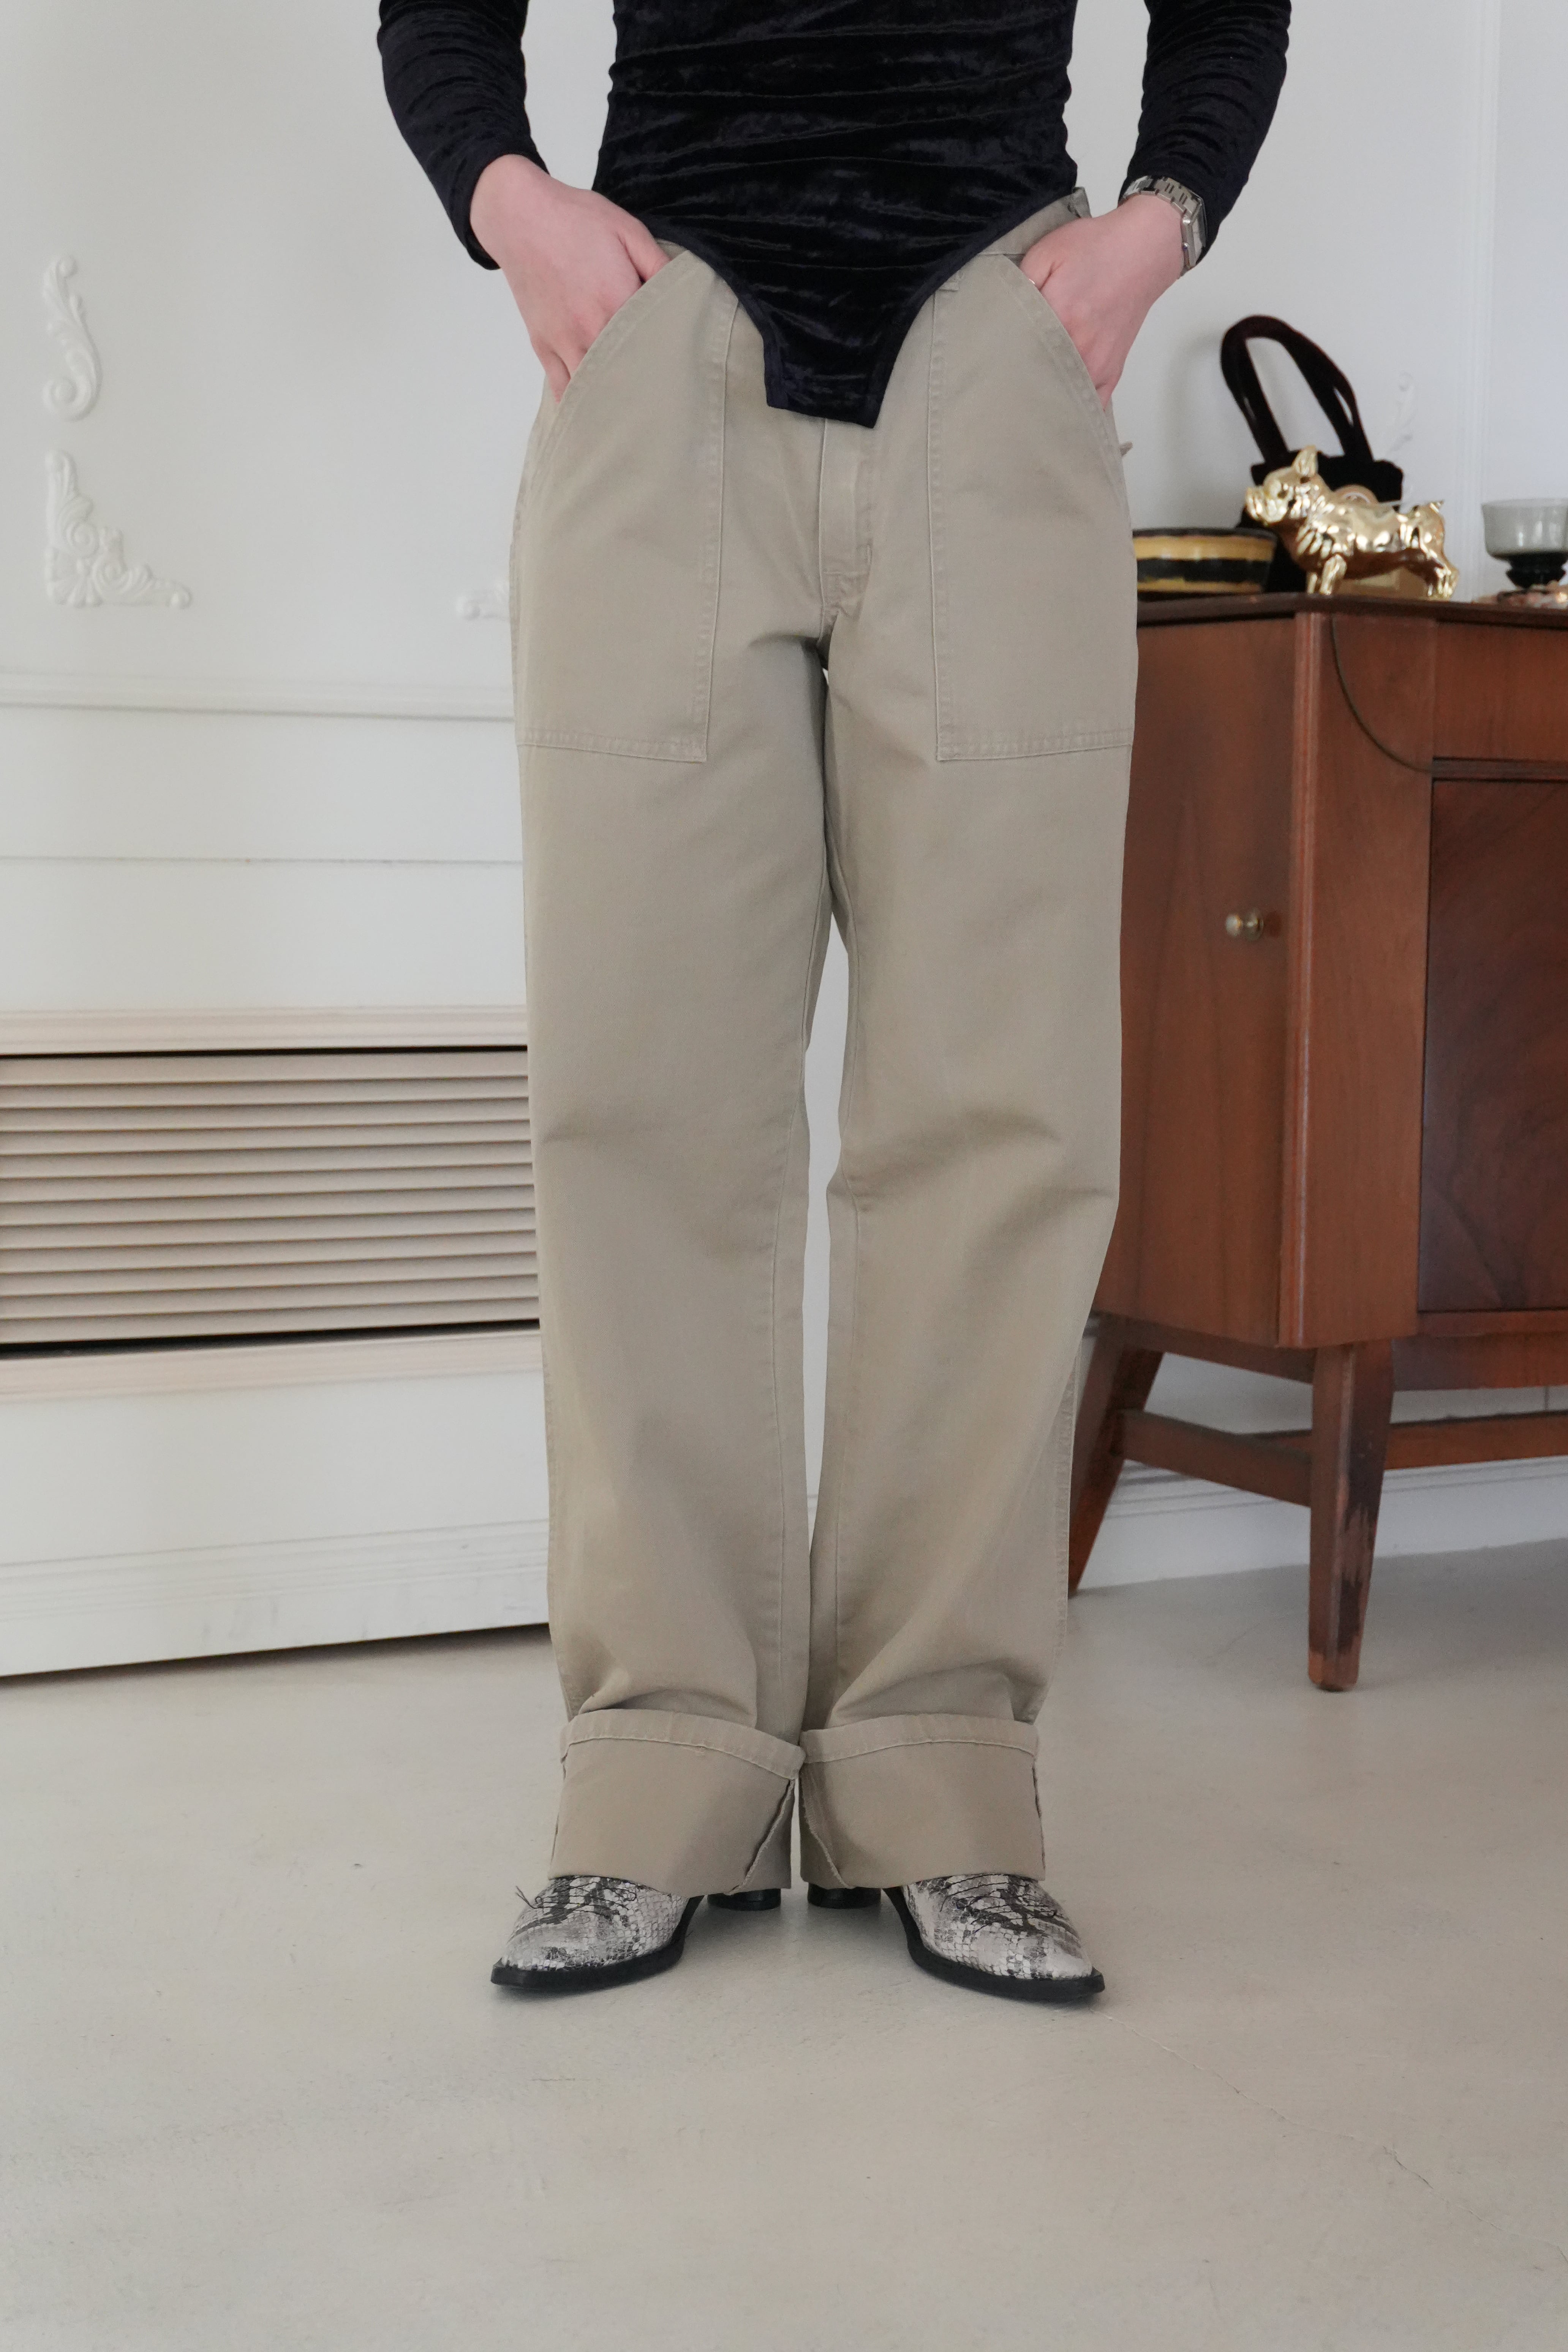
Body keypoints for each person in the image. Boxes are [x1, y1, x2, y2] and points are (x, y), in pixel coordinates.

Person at [379, 0, 1290, 2003]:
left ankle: (940, 1778)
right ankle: (657, 1778)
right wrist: (510, 200)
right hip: (663, 337)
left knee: (1000, 1110)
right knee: (641, 1101)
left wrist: (1157, 225)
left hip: (997, 341)